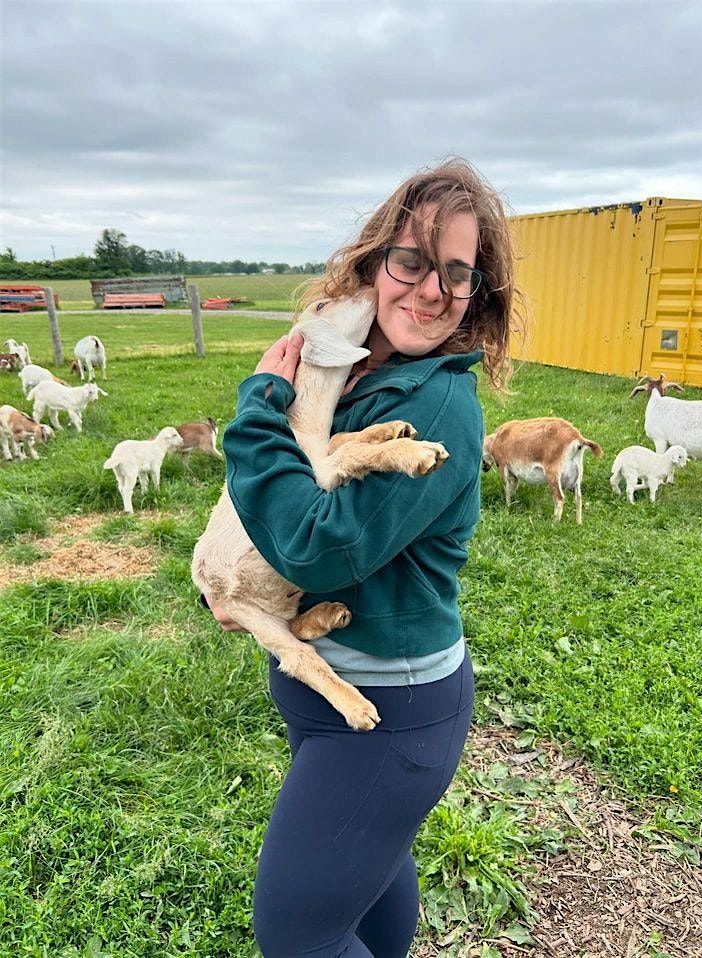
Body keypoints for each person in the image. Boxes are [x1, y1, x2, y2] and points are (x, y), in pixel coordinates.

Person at [204, 158, 518, 958]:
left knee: (296, 936)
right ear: (378, 261)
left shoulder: (436, 398)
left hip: (391, 712)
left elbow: (317, 543)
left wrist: (254, 415)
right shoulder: (359, 373)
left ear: (478, 293)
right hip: (327, 690)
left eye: (458, 274)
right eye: (413, 261)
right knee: (368, 879)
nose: (430, 290)